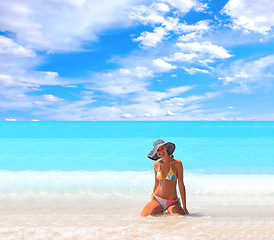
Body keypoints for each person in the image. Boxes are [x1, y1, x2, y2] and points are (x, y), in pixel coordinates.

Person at [141, 139, 189, 217]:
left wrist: (184, 207)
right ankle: (159, 209)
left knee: (180, 218)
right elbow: (156, 183)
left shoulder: (177, 164)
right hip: (157, 199)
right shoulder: (156, 165)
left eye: (162, 148)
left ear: (166, 148)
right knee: (144, 216)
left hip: (172, 201)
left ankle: (164, 210)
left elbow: (181, 185)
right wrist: (152, 199)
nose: (160, 151)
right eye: (158, 150)